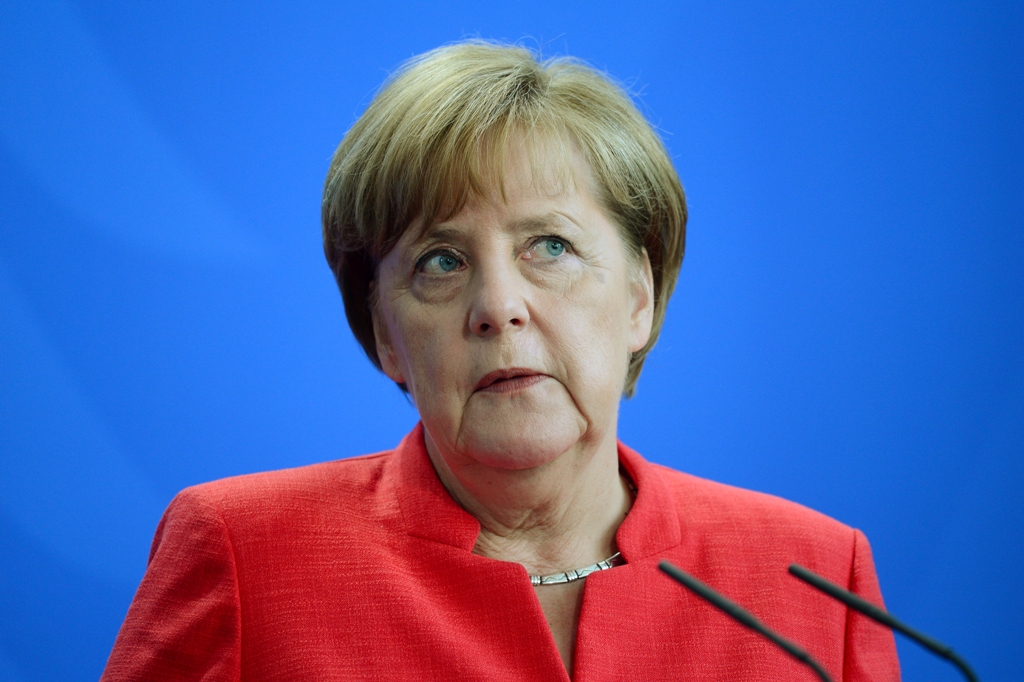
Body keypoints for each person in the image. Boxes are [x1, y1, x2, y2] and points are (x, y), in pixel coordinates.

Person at [101, 41, 900, 681]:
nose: (498, 305)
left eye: (548, 246)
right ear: (385, 336)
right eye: (440, 262)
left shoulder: (814, 576)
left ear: (638, 297)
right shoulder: (244, 558)